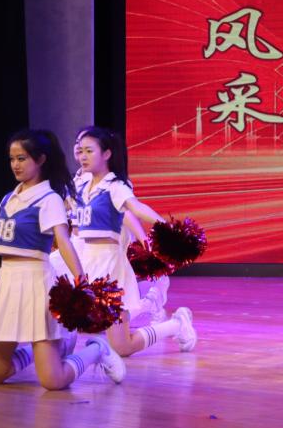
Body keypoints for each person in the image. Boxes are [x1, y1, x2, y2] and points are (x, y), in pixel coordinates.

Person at [0, 129, 125, 389]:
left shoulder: (49, 199)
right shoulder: (8, 199)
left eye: (22, 158)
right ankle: (51, 350)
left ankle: (96, 349)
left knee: (53, 381)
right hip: (6, 284)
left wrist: (81, 283)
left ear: (41, 159)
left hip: (36, 284)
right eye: (12, 159)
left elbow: (64, 242)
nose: (15, 165)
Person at [71, 127, 196, 357]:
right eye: (81, 151)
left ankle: (176, 325)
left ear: (106, 154)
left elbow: (136, 209)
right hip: (85, 260)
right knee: (78, 322)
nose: (83, 156)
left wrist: (167, 228)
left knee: (122, 347)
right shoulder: (81, 185)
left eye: (89, 151)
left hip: (109, 266)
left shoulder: (115, 186)